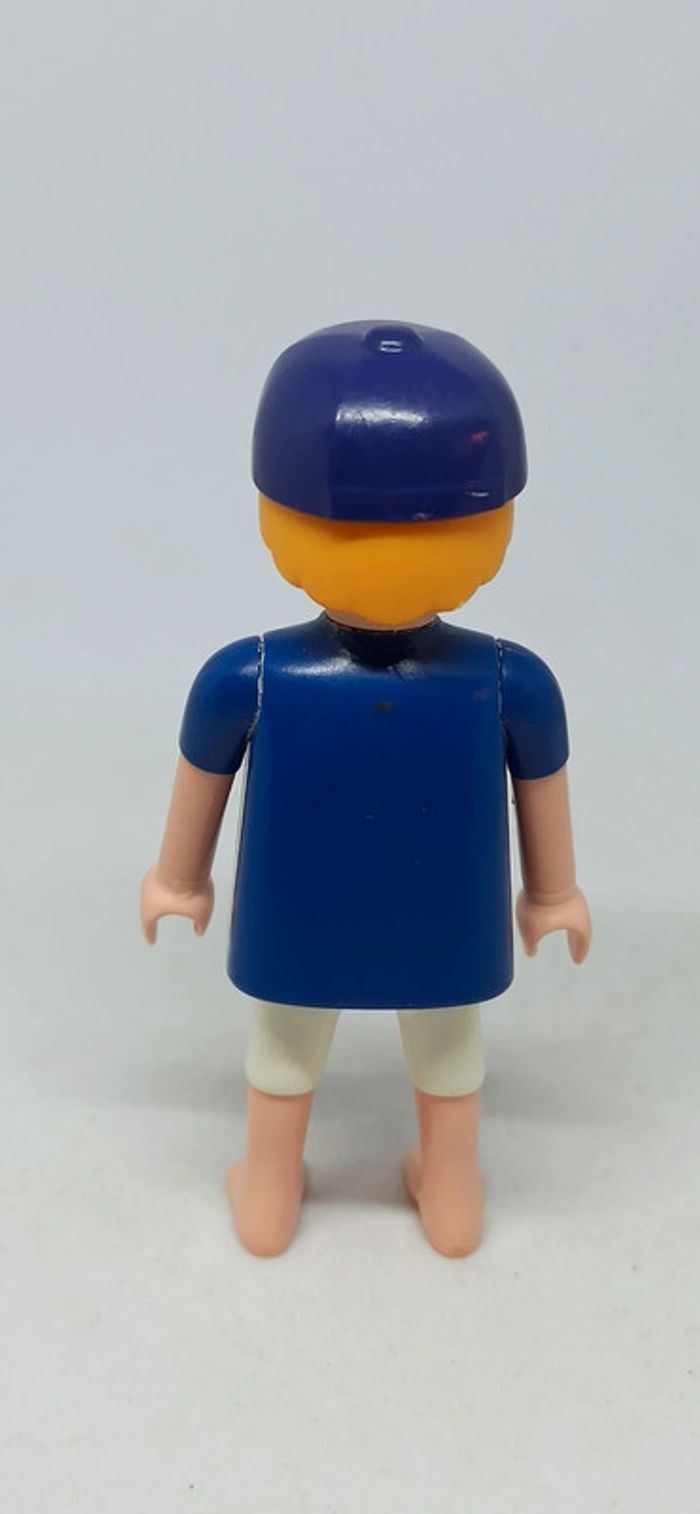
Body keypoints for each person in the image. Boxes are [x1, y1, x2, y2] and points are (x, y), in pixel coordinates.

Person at [141, 321, 591, 1259]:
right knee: (448, 1043)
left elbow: (202, 782)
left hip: (301, 910)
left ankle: (269, 1191)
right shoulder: (510, 681)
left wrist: (178, 881)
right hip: (445, 911)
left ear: (279, 519)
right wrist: (552, 897)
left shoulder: (249, 675)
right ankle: (451, 1192)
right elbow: (543, 792)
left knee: (286, 1042)